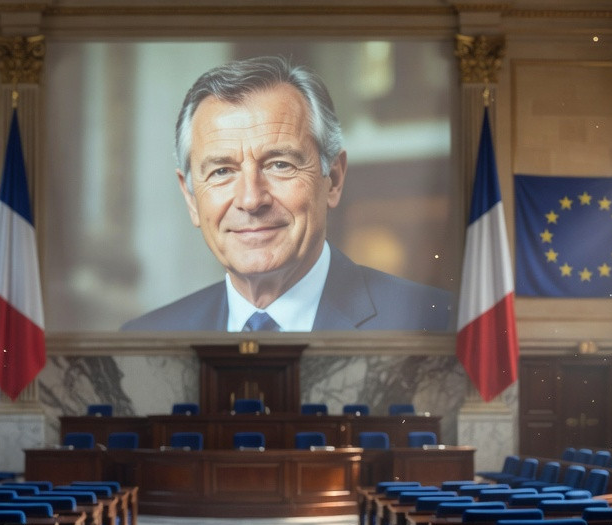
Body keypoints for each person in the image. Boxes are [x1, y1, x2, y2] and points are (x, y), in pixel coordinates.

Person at [121, 56, 453, 332]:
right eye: (222, 171)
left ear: (333, 179)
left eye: (279, 164)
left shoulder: (436, 323)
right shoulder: (142, 343)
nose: (251, 200)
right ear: (191, 198)